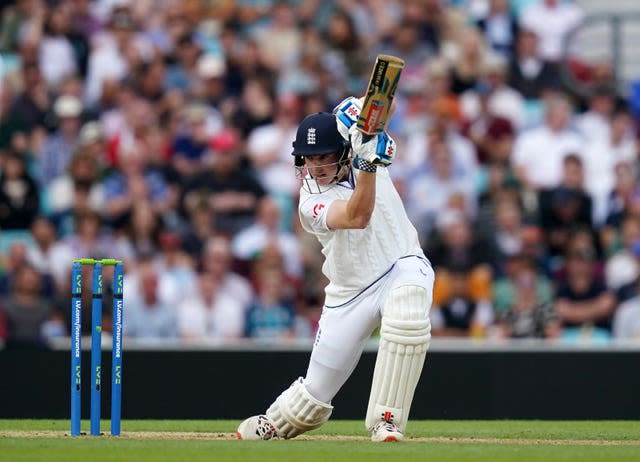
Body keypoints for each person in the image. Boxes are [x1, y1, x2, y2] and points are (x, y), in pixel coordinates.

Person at [237, 96, 434, 442]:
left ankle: (387, 421)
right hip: (349, 290)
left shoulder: (353, 135)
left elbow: (383, 103)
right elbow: (357, 216)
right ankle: (276, 420)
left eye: (323, 156)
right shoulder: (309, 201)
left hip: (402, 263)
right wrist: (369, 164)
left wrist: (372, 128)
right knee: (311, 402)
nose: (315, 167)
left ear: (341, 151)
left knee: (407, 312)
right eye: (309, 159)